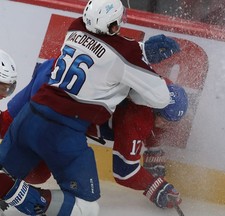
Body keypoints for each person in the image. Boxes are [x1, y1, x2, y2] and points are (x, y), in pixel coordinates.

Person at [0, 0, 182, 215]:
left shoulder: (75, 27)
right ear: (113, 26)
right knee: (85, 208)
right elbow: (159, 98)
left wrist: (141, 53)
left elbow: (105, 52)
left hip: (33, 111)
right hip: (62, 131)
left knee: (20, 171)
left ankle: (8, 187)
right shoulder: (127, 61)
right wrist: (142, 67)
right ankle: (22, 196)